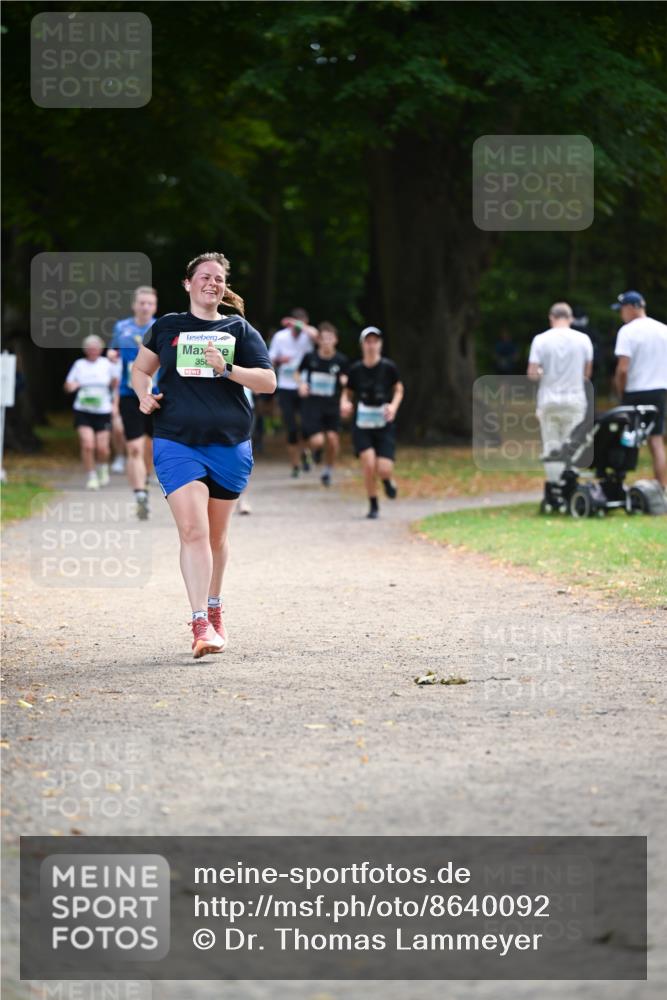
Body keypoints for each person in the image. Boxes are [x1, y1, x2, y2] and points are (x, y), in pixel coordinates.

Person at [131, 252, 276, 658]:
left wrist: (227, 369)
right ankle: (199, 624)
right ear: (187, 283)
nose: (212, 283)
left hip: (229, 445)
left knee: (216, 537)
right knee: (192, 532)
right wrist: (144, 395)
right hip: (176, 440)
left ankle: (215, 607)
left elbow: (267, 381)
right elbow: (141, 370)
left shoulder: (238, 329)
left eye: (219, 278)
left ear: (224, 287)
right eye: (204, 277)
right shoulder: (167, 327)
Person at [341, 326, 404, 519]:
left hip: (383, 424)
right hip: (362, 424)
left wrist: (393, 406)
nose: (371, 345)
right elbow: (347, 392)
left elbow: (399, 389)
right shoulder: (356, 370)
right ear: (362, 345)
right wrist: (344, 403)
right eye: (368, 341)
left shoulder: (388, 367)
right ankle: (373, 503)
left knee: (384, 468)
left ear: (380, 344)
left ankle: (387, 481)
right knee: (368, 464)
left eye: (375, 341)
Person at [527, 302, 593, 485]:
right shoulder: (583, 340)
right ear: (570, 318)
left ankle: (555, 486)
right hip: (575, 399)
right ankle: (570, 484)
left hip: (549, 400)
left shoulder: (540, 340)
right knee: (573, 444)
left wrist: (543, 373)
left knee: (551, 445)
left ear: (551, 318)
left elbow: (532, 374)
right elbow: (587, 375)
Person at [109, 286, 158, 520]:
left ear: (155, 306)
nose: (145, 307)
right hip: (130, 395)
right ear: (134, 305)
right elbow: (113, 352)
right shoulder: (121, 328)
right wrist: (112, 354)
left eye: (150, 303)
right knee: (135, 447)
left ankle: (146, 481)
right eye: (142, 303)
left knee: (152, 448)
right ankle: (140, 495)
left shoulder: (162, 327)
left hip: (157, 395)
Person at [612, 290, 667, 491]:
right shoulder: (663, 329)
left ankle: (618, 483)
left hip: (634, 390)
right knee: (656, 440)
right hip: (659, 390)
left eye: (622, 310)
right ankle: (663, 488)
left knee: (625, 438)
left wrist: (621, 391)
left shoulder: (627, 331)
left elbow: (623, 368)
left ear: (631, 308)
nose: (621, 315)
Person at [296, 322, 349, 486]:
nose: (326, 341)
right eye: (323, 338)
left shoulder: (341, 360)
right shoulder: (310, 357)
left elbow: (348, 385)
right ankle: (309, 452)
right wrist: (301, 385)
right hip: (313, 403)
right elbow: (297, 373)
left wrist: (344, 398)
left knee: (333, 439)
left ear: (336, 340)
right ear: (318, 340)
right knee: (318, 441)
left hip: (332, 404)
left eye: (330, 338)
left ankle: (328, 470)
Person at [64, 335, 118, 490]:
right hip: (83, 410)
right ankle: (91, 476)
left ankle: (102, 468)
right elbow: (67, 385)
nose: (93, 350)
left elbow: (116, 385)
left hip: (103, 410)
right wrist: (72, 386)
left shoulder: (107, 364)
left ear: (101, 349)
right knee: (88, 444)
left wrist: (115, 404)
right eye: (90, 347)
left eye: (96, 347)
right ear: (85, 349)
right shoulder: (79, 364)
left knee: (103, 448)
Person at [268, 308, 318, 477]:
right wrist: (281, 360)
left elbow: (318, 336)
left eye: (301, 325)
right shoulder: (280, 337)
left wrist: (299, 325)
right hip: (285, 386)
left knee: (305, 426)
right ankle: (295, 465)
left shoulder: (308, 336)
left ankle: (306, 453)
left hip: (304, 386)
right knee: (291, 427)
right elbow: (270, 358)